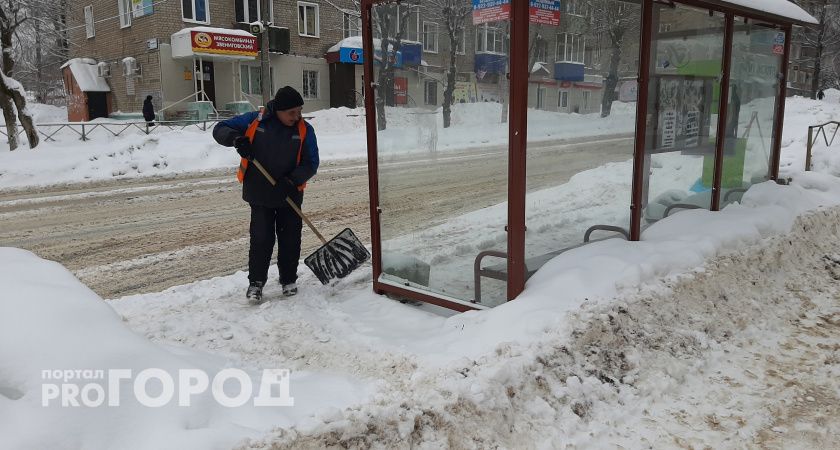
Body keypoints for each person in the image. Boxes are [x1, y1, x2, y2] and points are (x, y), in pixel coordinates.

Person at [212, 86, 319, 304]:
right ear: (278, 110)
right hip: (259, 193)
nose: (296, 116)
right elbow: (220, 128)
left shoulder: (305, 130)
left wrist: (291, 181)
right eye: (292, 112)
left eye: (299, 111)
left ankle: (288, 279)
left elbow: (311, 163)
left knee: (290, 238)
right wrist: (235, 139)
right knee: (261, 239)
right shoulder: (256, 121)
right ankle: (256, 283)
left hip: (289, 193)